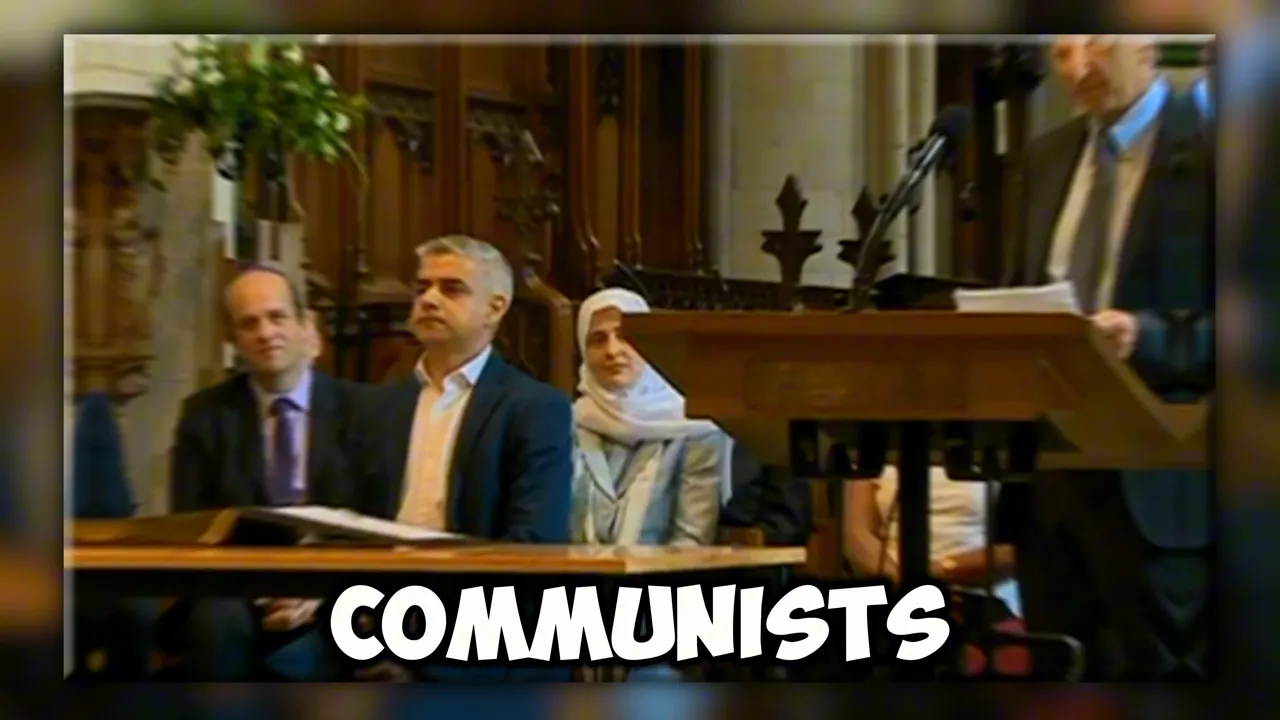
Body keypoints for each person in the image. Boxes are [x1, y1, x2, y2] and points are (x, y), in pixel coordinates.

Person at [1001, 35, 1213, 679]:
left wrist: (1146, 336)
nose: (1078, 68)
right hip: (1051, 481)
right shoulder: (1046, 158)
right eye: (1061, 52)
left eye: (1096, 44)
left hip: (1164, 477)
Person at [353, 235, 573, 682]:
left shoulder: (533, 407)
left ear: (495, 308)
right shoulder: (380, 405)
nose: (429, 299)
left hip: (481, 610)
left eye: (451, 289)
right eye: (422, 288)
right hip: (377, 601)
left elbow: (535, 540)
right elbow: (350, 518)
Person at [161, 264, 371, 681]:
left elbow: (378, 519)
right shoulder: (205, 415)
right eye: (249, 323)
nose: (265, 333)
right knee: (213, 624)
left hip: (337, 583)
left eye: (277, 317)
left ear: (305, 324)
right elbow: (192, 526)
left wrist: (318, 588)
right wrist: (262, 589)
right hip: (237, 587)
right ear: (233, 339)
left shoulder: (364, 410)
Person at [571, 287, 730, 681]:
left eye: (626, 337)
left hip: (661, 606)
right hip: (571, 605)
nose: (613, 351)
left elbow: (691, 541)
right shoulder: (567, 423)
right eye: (597, 340)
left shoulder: (697, 429)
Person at [843, 465, 1020, 616]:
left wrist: (930, 575)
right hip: (891, 592)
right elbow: (856, 533)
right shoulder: (872, 454)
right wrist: (902, 582)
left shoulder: (997, 453)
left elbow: (1012, 552)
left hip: (970, 595)